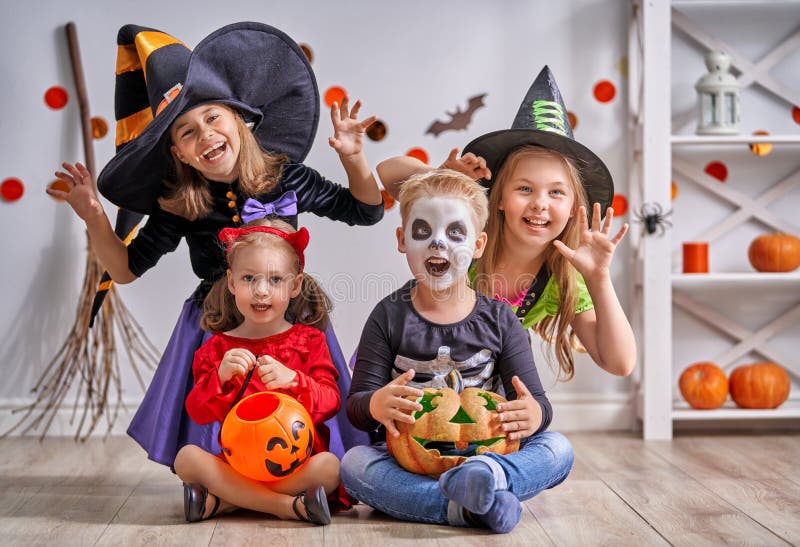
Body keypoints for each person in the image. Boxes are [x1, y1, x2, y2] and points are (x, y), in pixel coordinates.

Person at [46, 22, 379, 469]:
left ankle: (295, 481)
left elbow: (365, 210)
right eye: (185, 132)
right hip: (218, 324)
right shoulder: (180, 204)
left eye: (212, 117)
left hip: (289, 316)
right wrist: (94, 217)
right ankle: (223, 482)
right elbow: (124, 269)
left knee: (298, 420)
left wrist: (354, 158)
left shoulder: (287, 176)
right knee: (218, 430)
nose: (204, 135)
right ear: (178, 153)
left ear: (239, 121)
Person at [341, 170, 573, 534]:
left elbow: (537, 404)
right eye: (422, 232)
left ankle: (487, 478)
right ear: (402, 240)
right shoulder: (388, 316)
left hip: (488, 452)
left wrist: (533, 414)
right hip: (406, 459)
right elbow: (357, 409)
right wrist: (375, 404)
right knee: (354, 464)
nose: (437, 244)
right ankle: (469, 506)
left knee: (558, 449)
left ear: (478, 246)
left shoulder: (501, 320)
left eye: (454, 233)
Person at [376, 66, 636, 380]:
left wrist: (598, 278)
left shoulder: (560, 278)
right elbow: (387, 173)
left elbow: (620, 362)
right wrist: (439, 178)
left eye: (556, 192)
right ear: (498, 198)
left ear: (572, 209)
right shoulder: (470, 235)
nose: (540, 203)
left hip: (483, 389)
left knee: (552, 434)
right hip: (416, 372)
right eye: (525, 189)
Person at [176, 218, 338, 524]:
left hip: (294, 461)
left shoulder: (309, 341)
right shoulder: (218, 349)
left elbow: (331, 402)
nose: (261, 291)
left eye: (275, 280)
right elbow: (196, 412)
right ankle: (285, 506)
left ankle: (225, 501)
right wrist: (220, 377)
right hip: (238, 462)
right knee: (186, 458)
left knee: (329, 468)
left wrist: (294, 380)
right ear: (232, 282)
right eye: (249, 278)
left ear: (295, 285)